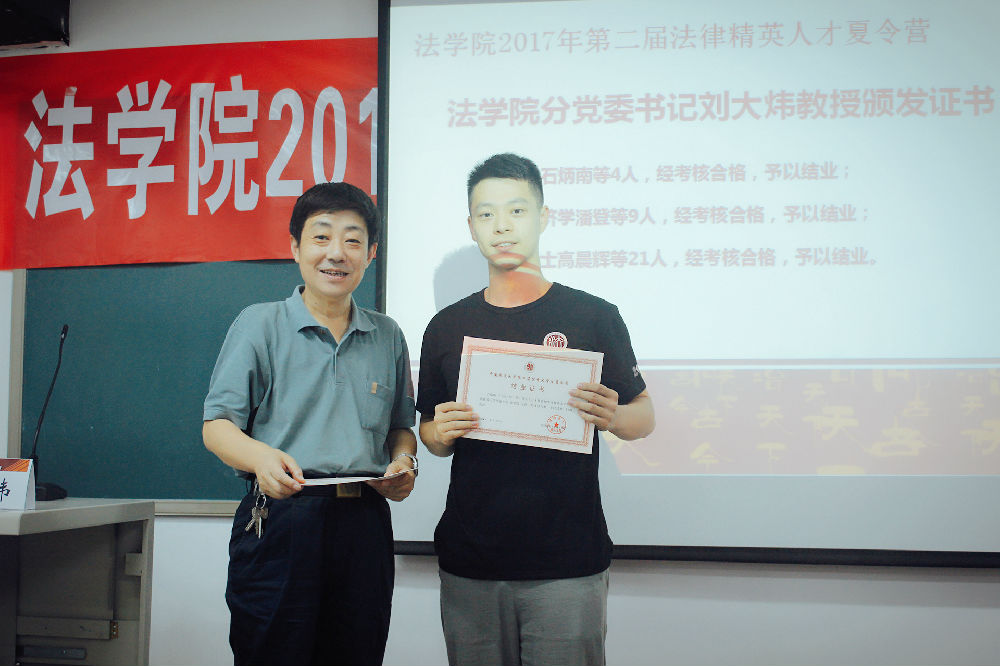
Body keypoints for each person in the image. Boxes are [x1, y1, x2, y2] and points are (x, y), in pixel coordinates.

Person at [417, 153, 655, 666]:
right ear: (471, 226)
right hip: (471, 562)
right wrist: (440, 433)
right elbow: (429, 433)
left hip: (567, 563)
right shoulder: (446, 326)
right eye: (486, 214)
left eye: (517, 211)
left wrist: (613, 416)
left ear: (543, 217)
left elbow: (644, 416)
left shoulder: (593, 315)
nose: (502, 226)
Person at [202, 181, 418, 666]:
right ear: (296, 248)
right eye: (321, 237)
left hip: (364, 522)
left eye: (352, 240)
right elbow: (217, 426)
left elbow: (401, 427)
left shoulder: (387, 334)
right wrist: (261, 459)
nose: (336, 253)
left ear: (371, 253)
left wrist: (405, 461)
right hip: (283, 518)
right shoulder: (260, 324)